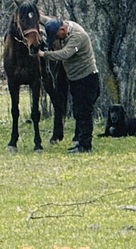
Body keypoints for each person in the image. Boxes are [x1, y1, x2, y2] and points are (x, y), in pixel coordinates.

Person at [39, 18, 100, 153]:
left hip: (86, 79)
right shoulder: (63, 26)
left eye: (56, 36)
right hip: (76, 79)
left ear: (62, 30)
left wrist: (44, 54)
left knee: (84, 113)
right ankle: (80, 142)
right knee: (78, 111)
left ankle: (85, 145)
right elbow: (48, 20)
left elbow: (65, 54)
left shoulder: (78, 37)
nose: (56, 40)